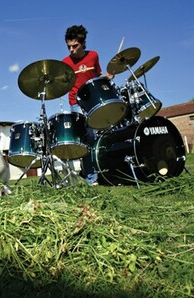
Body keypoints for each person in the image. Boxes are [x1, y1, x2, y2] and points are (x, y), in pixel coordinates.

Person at [62, 25, 114, 186]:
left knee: (101, 136)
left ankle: (105, 170)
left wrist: (107, 77)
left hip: (94, 100)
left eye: (75, 46)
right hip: (76, 103)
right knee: (86, 138)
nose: (71, 49)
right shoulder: (64, 63)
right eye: (68, 46)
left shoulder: (93, 56)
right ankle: (91, 178)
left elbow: (96, 75)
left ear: (83, 43)